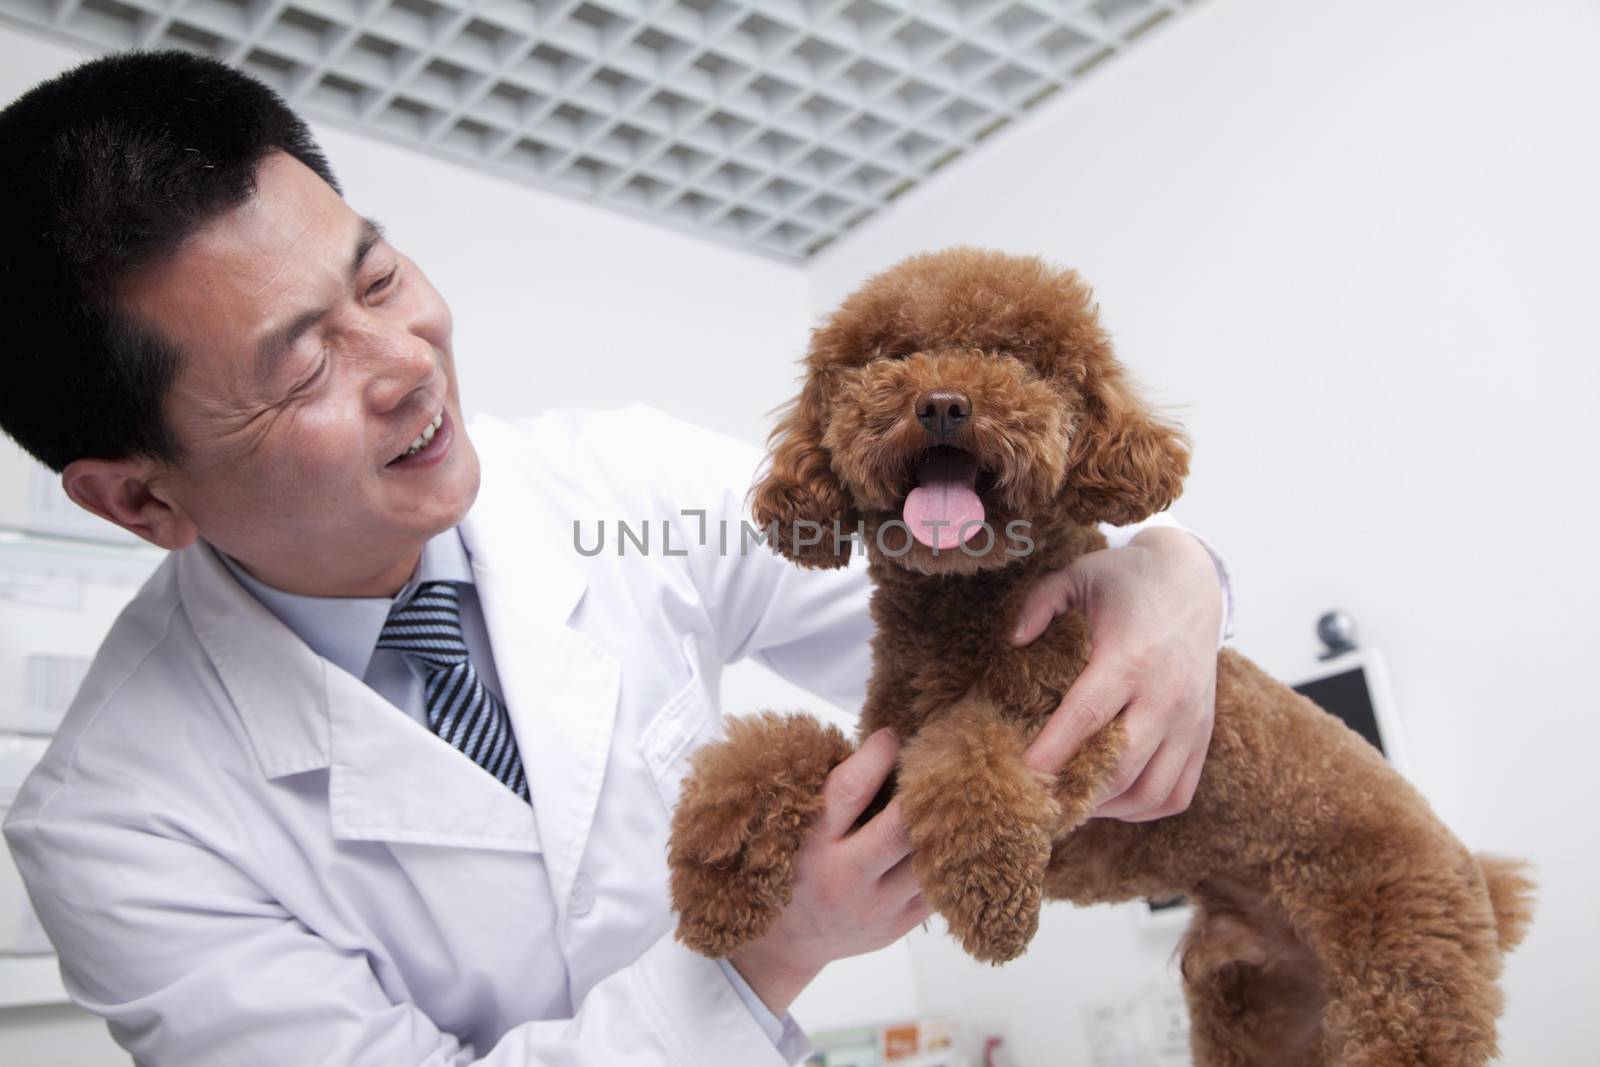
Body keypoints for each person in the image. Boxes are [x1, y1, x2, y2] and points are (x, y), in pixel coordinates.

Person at [0, 50, 1234, 1066]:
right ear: (139, 497)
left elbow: (986, 610)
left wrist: (1177, 572)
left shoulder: (620, 487)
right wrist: (767, 954)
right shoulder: (117, 822)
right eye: (305, 367)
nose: (406, 361)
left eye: (378, 276)